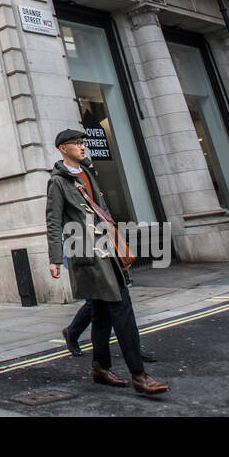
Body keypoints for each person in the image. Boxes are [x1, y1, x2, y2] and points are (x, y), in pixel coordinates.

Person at [46, 128, 167, 395]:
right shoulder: (58, 182)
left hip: (107, 247)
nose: (82, 147)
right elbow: (54, 221)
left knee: (101, 313)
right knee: (121, 308)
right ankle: (139, 375)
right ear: (63, 149)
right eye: (76, 144)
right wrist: (55, 258)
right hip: (87, 253)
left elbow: (102, 209)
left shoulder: (88, 172)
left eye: (82, 143)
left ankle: (100, 368)